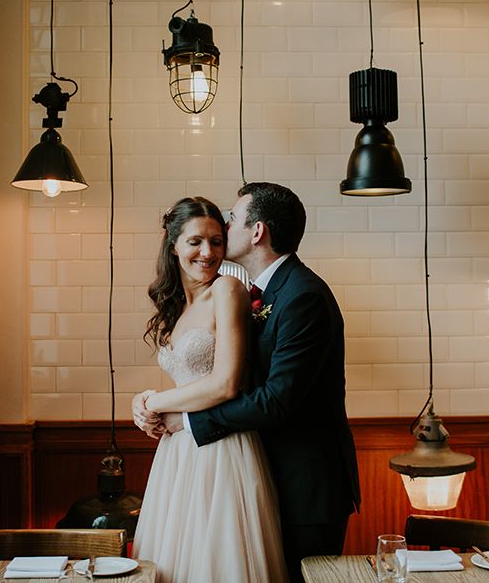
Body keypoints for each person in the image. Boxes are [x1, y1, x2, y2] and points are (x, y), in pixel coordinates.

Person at [145, 182, 361, 582]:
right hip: (256, 467)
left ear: (257, 231)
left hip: (306, 486)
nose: (224, 232)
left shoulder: (302, 295)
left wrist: (187, 421)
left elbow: (276, 399)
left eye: (230, 220)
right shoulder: (260, 292)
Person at [130, 196, 288, 583]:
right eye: (196, 241)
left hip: (221, 448)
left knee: (217, 560)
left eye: (217, 241)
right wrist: (143, 400)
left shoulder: (228, 291)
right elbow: (188, 381)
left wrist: (155, 402)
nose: (208, 252)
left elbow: (225, 383)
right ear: (174, 246)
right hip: (178, 451)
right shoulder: (176, 306)